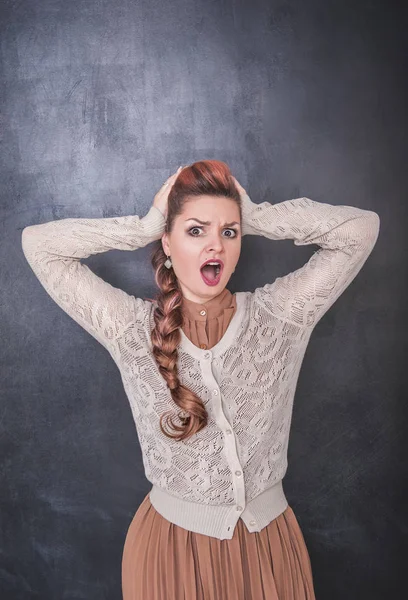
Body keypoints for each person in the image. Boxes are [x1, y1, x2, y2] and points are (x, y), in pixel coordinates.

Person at [21, 160, 380, 599]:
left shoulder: (282, 315)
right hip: (170, 553)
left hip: (268, 549)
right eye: (195, 231)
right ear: (167, 244)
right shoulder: (129, 328)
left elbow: (361, 230)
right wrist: (143, 226)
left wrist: (258, 216)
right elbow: (39, 245)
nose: (216, 245)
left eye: (229, 232)